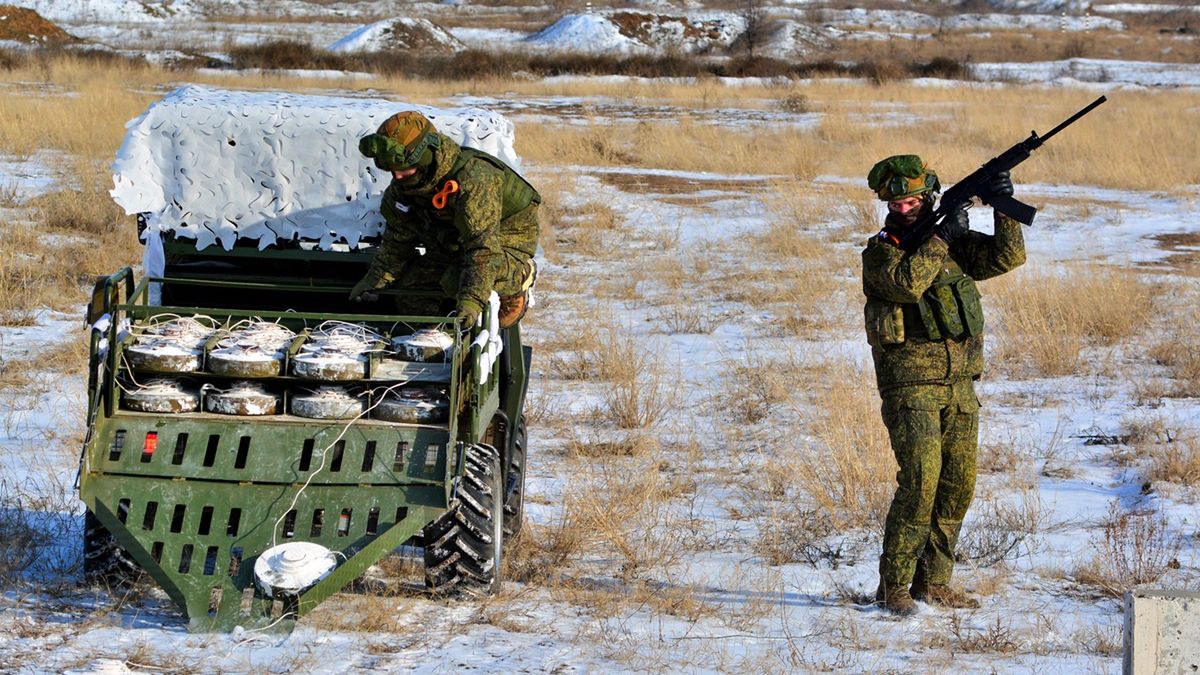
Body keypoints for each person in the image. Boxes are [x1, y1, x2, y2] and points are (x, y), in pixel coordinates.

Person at [861, 155, 1026, 615]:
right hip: (911, 385)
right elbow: (906, 284)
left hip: (959, 383)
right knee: (920, 482)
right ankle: (893, 586)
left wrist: (1003, 207)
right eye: (895, 203)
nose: (903, 208)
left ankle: (934, 582)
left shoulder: (951, 243)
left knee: (957, 485)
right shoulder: (883, 252)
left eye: (912, 200)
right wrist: (940, 238)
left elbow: (1007, 257)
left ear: (929, 196)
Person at [350, 111, 541, 329]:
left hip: (504, 237)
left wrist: (471, 302)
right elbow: (398, 237)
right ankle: (436, 338)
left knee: (457, 280)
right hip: (455, 240)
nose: (398, 177)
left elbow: (483, 249)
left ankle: (518, 276)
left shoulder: (474, 179)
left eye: (404, 169)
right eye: (392, 171)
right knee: (411, 292)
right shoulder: (404, 187)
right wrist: (375, 280)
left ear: (425, 158)